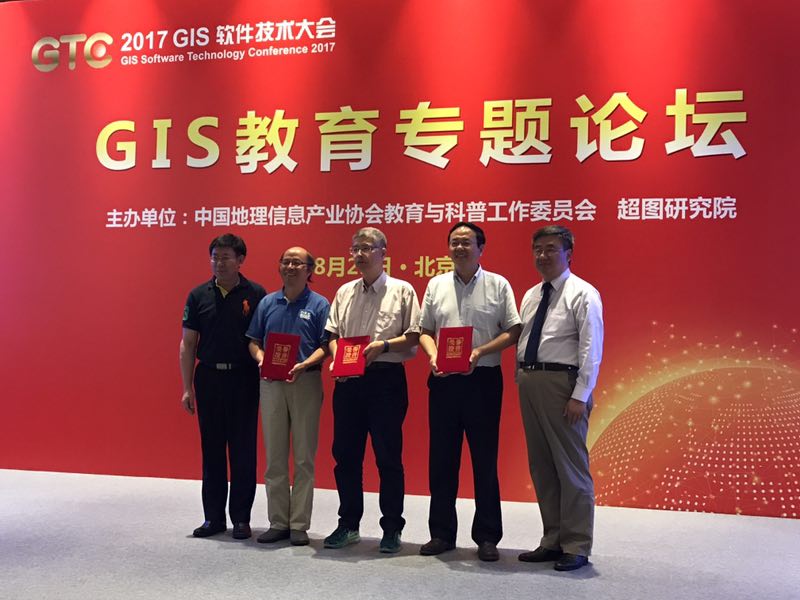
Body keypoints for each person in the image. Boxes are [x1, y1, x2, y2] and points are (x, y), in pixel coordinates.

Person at [417, 222, 521, 562]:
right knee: (441, 460)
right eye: (454, 242)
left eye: (466, 242)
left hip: (483, 381)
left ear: (481, 248)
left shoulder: (498, 284)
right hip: (444, 380)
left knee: (484, 460)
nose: (460, 248)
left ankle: (487, 536)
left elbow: (513, 330)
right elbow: (424, 330)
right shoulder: (436, 284)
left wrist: (480, 351)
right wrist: (433, 354)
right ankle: (441, 533)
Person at [323, 227, 421, 554]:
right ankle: (348, 524)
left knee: (388, 456)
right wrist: (338, 360)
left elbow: (414, 336)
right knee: (345, 456)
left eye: (366, 248)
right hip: (348, 382)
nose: (359, 254)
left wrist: (384, 346)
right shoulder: (344, 291)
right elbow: (332, 335)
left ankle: (392, 527)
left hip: (386, 379)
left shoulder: (402, 290)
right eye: (355, 249)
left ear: (383, 252)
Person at [516, 225, 603, 572]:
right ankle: (552, 539)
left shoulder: (583, 293)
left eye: (551, 248)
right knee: (542, 466)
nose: (543, 255)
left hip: (562, 385)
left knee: (570, 467)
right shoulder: (531, 295)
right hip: (530, 380)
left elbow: (591, 348)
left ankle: (577, 544)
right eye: (538, 249)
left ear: (569, 253)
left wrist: (580, 395)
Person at [179, 233, 266, 540]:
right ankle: (213, 518)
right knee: (212, 449)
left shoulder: (256, 293)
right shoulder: (198, 295)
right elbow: (188, 344)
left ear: (240, 260)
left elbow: (263, 340)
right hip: (209, 378)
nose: (219, 263)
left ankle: (241, 518)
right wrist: (187, 387)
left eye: (226, 257)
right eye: (215, 257)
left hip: (244, 378)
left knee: (243, 449)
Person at [246, 247, 330, 546]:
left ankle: (299, 524)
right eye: (286, 261)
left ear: (310, 270)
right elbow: (253, 341)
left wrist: (305, 364)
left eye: (297, 262)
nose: (290, 266)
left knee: (304, 456)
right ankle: (278, 521)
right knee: (275, 457)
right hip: (271, 383)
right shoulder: (268, 302)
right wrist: (261, 359)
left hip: (306, 381)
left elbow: (327, 345)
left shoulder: (319, 304)